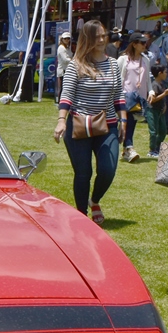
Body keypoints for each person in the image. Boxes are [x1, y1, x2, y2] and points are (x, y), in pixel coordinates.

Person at [53, 20, 123, 225]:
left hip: (107, 125)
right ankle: (82, 215)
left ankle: (95, 200)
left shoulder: (112, 64)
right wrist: (61, 121)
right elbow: (67, 94)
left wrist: (124, 120)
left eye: (104, 35)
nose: (102, 40)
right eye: (97, 36)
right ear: (87, 38)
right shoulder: (76, 64)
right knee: (83, 173)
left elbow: (119, 94)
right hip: (78, 125)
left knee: (108, 169)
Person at [118, 32, 153, 163]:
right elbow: (118, 78)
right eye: (142, 43)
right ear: (134, 44)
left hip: (140, 97)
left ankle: (126, 148)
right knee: (128, 121)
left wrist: (151, 91)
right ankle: (129, 148)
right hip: (125, 95)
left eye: (145, 43)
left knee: (131, 122)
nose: (145, 45)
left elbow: (147, 78)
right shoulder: (123, 59)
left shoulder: (145, 59)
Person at [144, 63, 168, 157]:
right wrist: (165, 94)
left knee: (163, 130)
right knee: (153, 131)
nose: (166, 74)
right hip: (152, 110)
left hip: (160, 110)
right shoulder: (154, 85)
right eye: (165, 72)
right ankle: (152, 150)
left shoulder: (161, 84)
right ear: (160, 73)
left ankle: (158, 147)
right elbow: (153, 99)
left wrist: (165, 105)